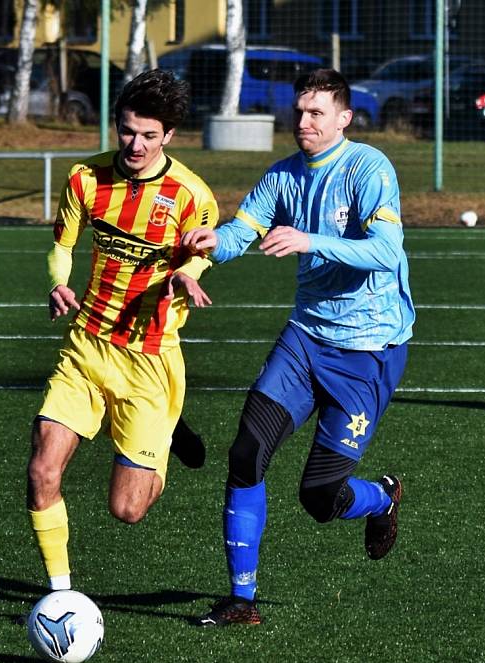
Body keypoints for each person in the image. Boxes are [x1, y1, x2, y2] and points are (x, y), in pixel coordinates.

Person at [182, 68, 415, 626]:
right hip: (306, 339)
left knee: (320, 497)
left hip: (368, 350)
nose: (303, 121)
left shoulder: (368, 169)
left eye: (316, 112)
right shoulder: (283, 176)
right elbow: (245, 228)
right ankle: (242, 600)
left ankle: (382, 498)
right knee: (245, 454)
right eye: (299, 111)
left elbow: (385, 250)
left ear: (344, 118)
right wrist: (217, 243)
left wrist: (310, 240)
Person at [27, 69, 219, 593]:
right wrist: (58, 283)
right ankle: (60, 594)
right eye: (127, 131)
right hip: (86, 346)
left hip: (149, 360)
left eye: (149, 135)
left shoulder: (191, 196)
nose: (135, 144)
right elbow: (62, 245)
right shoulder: (85, 179)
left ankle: (165, 427)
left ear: (169, 137)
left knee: (127, 510)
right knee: (43, 472)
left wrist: (186, 273)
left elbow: (201, 255)